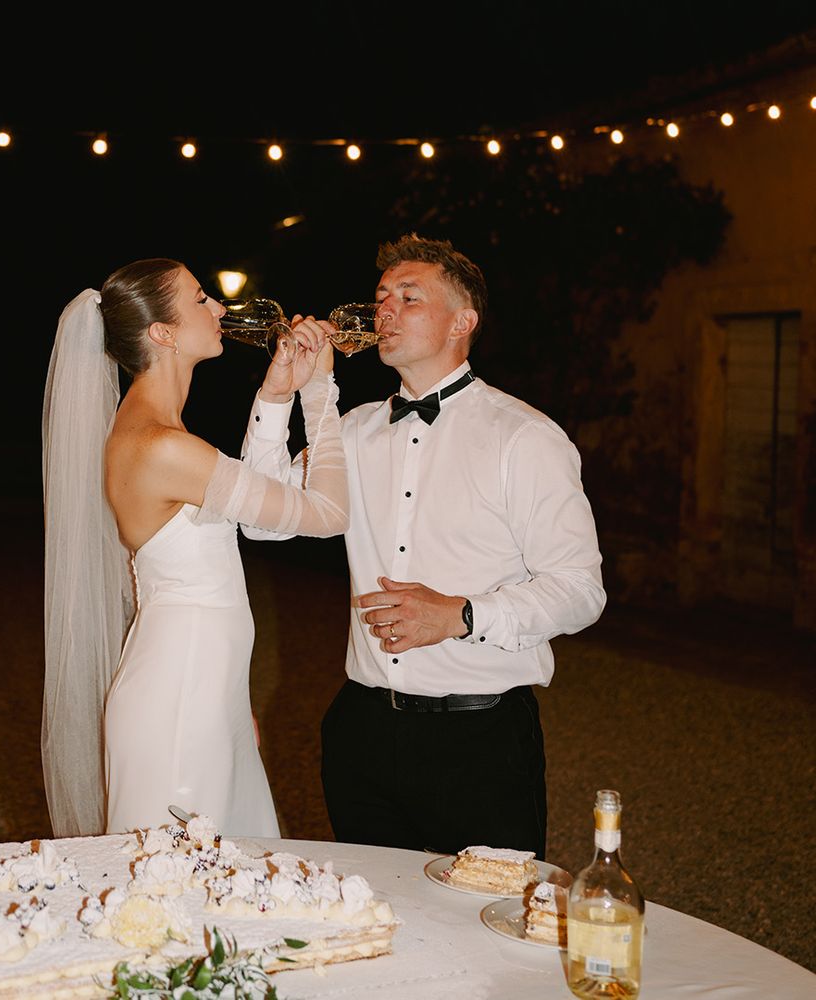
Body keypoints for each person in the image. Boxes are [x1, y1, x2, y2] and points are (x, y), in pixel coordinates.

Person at [241, 234, 606, 858]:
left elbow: (581, 590)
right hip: (362, 730)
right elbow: (262, 520)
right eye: (381, 297)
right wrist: (279, 395)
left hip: (480, 740)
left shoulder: (525, 438)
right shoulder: (351, 431)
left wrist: (462, 615)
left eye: (410, 298)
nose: (385, 311)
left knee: (489, 938)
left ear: (464, 321)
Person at [41, 258, 346, 839]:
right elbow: (327, 515)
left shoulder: (161, 436)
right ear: (163, 332)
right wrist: (321, 392)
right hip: (180, 702)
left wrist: (277, 395)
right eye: (202, 298)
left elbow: (265, 525)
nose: (221, 310)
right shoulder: (164, 449)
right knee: (181, 896)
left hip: (202, 693)